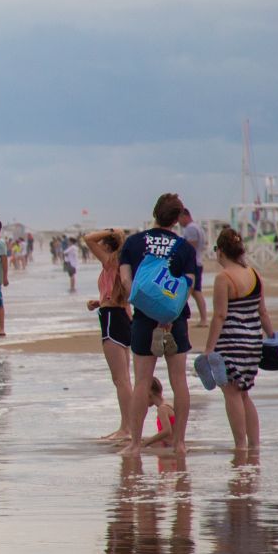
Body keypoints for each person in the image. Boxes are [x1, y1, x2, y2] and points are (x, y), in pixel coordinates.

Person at [118, 192, 199, 455]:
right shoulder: (185, 247)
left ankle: (134, 444)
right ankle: (180, 443)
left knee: (141, 382)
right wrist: (168, 314)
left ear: (155, 212)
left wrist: (148, 309)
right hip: (175, 320)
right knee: (179, 382)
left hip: (143, 320)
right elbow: (188, 285)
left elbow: (127, 283)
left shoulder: (133, 243)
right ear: (177, 219)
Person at [203, 227, 274, 455]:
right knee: (244, 393)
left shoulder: (223, 278)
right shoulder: (255, 274)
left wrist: (209, 349)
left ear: (221, 251)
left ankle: (240, 446)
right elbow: (263, 312)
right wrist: (273, 338)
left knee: (231, 393)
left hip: (231, 342)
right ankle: (254, 445)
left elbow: (220, 315)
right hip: (253, 342)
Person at [82, 227, 135, 443]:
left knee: (120, 379)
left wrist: (113, 231)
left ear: (107, 245)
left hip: (113, 319)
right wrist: (99, 301)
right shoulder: (119, 265)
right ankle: (128, 426)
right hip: (120, 315)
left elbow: (87, 238)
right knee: (125, 379)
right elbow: (119, 294)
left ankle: (126, 428)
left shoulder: (111, 260)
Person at [179, 208, 208, 320]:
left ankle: (203, 318)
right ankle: (203, 318)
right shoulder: (197, 227)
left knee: (194, 291)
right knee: (196, 291)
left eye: (179, 219)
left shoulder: (191, 228)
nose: (179, 222)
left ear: (184, 216)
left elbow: (191, 246)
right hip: (197, 261)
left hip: (194, 263)